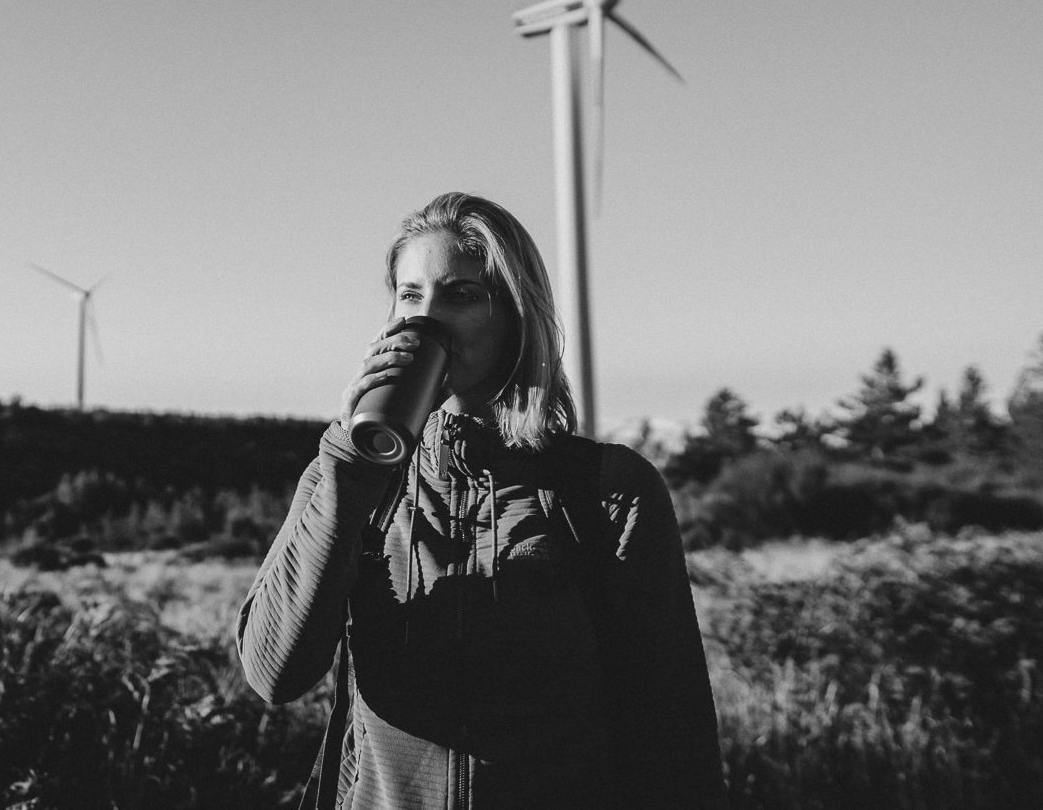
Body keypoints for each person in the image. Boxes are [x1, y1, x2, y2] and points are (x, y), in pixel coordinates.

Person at [237, 191, 725, 808]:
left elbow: (673, 731)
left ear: (516, 316)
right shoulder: (349, 475)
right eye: (410, 296)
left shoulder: (607, 491)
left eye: (461, 295)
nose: (425, 320)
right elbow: (274, 674)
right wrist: (348, 466)